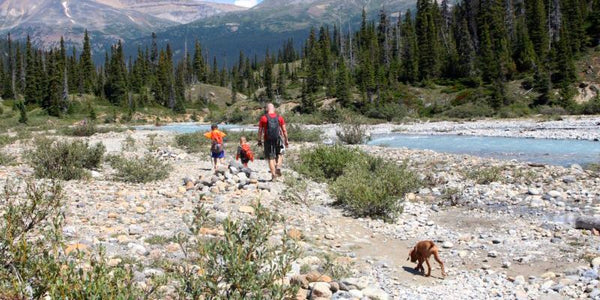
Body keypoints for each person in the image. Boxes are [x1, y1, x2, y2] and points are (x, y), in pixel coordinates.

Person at [258, 103, 289, 181]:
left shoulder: (263, 118)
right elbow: (284, 130)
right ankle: (278, 166)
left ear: (266, 109)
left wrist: (259, 140)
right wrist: (286, 140)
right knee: (280, 153)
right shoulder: (279, 117)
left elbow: (260, 131)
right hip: (278, 138)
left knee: (271, 158)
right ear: (274, 109)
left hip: (267, 139)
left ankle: (273, 175)